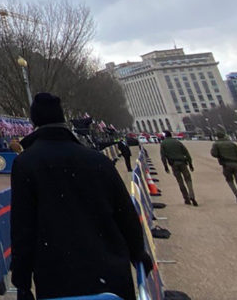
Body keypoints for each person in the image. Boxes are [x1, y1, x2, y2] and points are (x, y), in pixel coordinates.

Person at [11, 93, 152, 300]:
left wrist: (22, 283)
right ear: (63, 120)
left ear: (35, 121)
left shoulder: (26, 164)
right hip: (111, 276)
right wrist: (138, 252)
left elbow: (23, 228)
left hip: (58, 278)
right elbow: (125, 214)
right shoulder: (99, 161)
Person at [159, 131, 197, 206]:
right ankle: (191, 195)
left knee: (180, 182)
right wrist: (190, 164)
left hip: (174, 164)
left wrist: (165, 166)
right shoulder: (177, 142)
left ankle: (186, 199)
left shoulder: (163, 144)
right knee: (188, 180)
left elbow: (163, 157)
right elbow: (187, 153)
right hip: (183, 163)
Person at [210, 128, 237, 204]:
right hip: (236, 164)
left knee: (230, 181)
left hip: (226, 165)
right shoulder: (232, 143)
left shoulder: (216, 144)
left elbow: (214, 154)